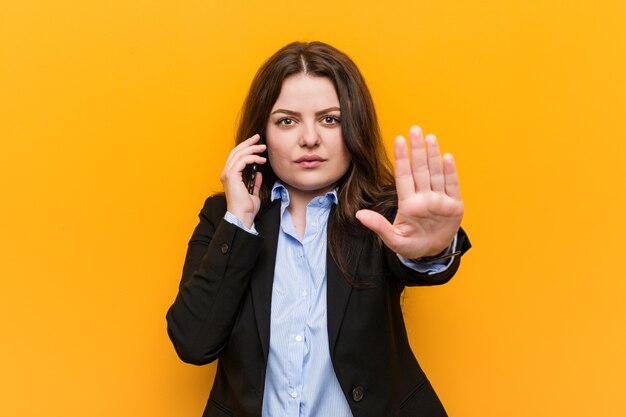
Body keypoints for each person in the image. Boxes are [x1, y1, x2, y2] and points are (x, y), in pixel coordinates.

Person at [166, 41, 471, 417]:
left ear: (354, 126)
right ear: (260, 134)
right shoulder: (224, 217)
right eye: (287, 120)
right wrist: (239, 222)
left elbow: (414, 254)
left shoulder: (384, 213)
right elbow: (193, 343)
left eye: (330, 119)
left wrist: (432, 250)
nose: (309, 138)